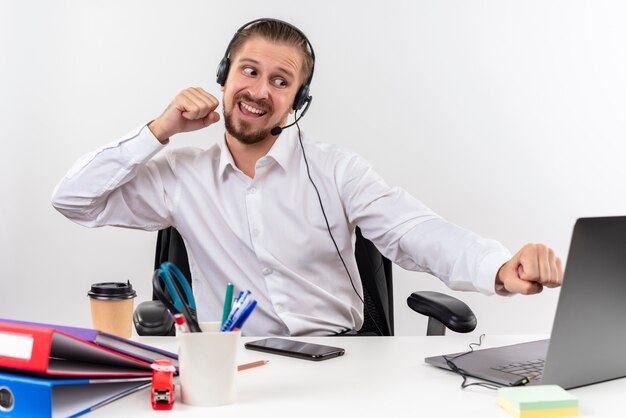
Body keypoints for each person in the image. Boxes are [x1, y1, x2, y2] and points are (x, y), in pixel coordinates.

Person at [51, 18, 562, 336]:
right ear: (223, 77)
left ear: (298, 101)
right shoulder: (179, 176)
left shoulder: (337, 170)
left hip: (340, 358)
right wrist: (158, 130)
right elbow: (73, 200)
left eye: (280, 81)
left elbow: (415, 232)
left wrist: (498, 267)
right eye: (248, 71)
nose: (258, 90)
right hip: (234, 362)